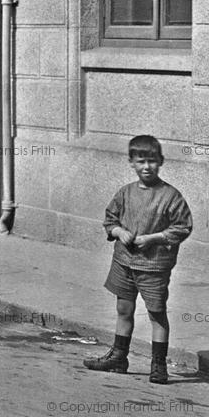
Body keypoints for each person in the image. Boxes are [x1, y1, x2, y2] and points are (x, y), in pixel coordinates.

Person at [83, 135, 192, 384]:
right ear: (131, 162)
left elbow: (183, 227)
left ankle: (158, 364)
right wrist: (119, 231)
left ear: (161, 162)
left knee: (156, 313)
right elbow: (110, 219)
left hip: (153, 267)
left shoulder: (170, 196)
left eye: (152, 161)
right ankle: (118, 357)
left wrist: (153, 238)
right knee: (124, 309)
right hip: (124, 262)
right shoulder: (125, 193)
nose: (146, 167)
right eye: (141, 161)